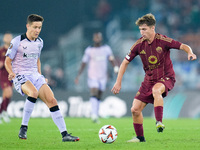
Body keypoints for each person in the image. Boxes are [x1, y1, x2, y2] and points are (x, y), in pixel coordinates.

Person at [111, 13, 197, 142]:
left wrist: (190, 52)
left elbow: (183, 46)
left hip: (166, 77)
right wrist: (118, 82)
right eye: (140, 29)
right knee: (134, 109)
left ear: (152, 28)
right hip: (148, 80)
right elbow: (124, 63)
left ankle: (159, 122)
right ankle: (140, 138)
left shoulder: (163, 41)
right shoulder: (138, 45)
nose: (142, 32)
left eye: (144, 29)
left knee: (156, 91)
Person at [4, 14, 79, 142]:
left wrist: (40, 75)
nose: (37, 30)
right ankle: (23, 128)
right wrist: (11, 73)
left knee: (52, 101)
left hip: (35, 75)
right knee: (33, 93)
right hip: (21, 75)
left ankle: (65, 134)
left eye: (40, 27)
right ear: (28, 26)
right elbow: (7, 61)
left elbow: (37, 60)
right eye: (35, 27)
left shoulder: (40, 42)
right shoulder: (17, 41)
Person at [75, 32, 119, 123]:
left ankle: (96, 113)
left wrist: (115, 67)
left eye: (99, 37)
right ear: (93, 39)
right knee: (94, 92)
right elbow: (83, 63)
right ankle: (94, 115)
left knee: (99, 95)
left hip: (102, 77)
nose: (97, 39)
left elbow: (111, 59)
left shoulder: (106, 49)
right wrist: (78, 75)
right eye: (96, 37)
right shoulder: (89, 50)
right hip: (92, 76)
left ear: (101, 38)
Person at [0, 33, 13, 124]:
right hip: (3, 74)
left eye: (10, 37)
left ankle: (3, 111)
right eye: (7, 37)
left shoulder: (12, 49)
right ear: (4, 39)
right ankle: (3, 111)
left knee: (6, 95)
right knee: (8, 92)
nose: (8, 38)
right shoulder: (2, 50)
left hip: (11, 74)